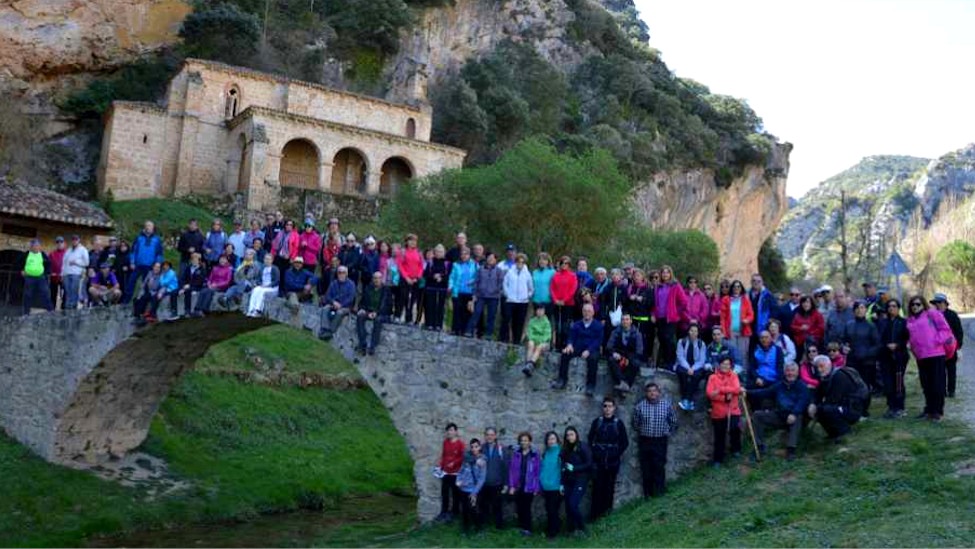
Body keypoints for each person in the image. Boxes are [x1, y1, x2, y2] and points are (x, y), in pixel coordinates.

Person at [748, 362, 810, 460]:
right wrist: (746, 392)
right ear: (784, 372)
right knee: (757, 415)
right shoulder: (779, 385)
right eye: (788, 371)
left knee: (797, 417)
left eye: (793, 371)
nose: (790, 373)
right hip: (779, 416)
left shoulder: (802, 386)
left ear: (797, 373)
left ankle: (791, 449)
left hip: (794, 417)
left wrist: (794, 413)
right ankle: (759, 446)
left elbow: (802, 402)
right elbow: (764, 392)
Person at [906, 296, 954, 421]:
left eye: (918, 304)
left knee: (937, 384)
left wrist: (935, 341)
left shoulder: (932, 314)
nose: (915, 306)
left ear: (923, 304)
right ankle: (929, 410)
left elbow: (945, 330)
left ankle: (937, 412)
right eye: (912, 304)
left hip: (936, 354)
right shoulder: (910, 320)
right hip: (921, 357)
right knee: (926, 385)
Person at [632, 382, 678, 497]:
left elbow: (673, 421)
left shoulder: (666, 405)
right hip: (645, 440)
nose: (652, 393)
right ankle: (648, 493)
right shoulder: (640, 406)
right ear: (646, 393)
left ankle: (660, 491)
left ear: (658, 392)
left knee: (659, 466)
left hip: (660, 440)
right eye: (649, 391)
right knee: (646, 467)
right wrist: (643, 431)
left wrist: (668, 432)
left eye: (654, 390)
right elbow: (635, 423)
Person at [588, 398, 628, 521]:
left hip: (612, 462)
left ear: (614, 408)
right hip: (598, 462)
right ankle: (594, 517)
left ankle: (607, 516)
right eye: (605, 406)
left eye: (610, 406)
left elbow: (624, 442)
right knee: (597, 489)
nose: (607, 408)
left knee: (609, 488)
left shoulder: (618, 423)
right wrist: (596, 453)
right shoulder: (597, 422)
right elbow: (590, 439)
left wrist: (615, 454)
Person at [807, 355, 864, 441]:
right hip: (842, 406)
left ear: (829, 365)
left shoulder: (839, 376)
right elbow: (817, 394)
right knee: (822, 409)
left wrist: (818, 407)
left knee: (826, 409)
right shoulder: (825, 378)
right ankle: (833, 434)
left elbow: (833, 399)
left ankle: (845, 432)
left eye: (822, 366)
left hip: (852, 408)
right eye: (817, 367)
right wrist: (813, 404)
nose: (819, 369)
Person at [554, 303, 603, 396]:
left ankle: (590, 386)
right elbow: (571, 336)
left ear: (593, 313)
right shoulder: (577, 324)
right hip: (578, 347)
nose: (586, 313)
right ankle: (562, 380)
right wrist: (569, 345)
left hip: (591, 349)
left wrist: (589, 350)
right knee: (565, 354)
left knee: (593, 359)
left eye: (589, 311)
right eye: (584, 311)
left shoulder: (598, 326)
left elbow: (598, 341)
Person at [842, 301, 881, 409]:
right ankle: (853, 408)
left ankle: (864, 409)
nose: (860, 310)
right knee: (852, 384)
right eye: (857, 308)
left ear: (865, 310)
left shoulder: (871, 326)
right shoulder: (849, 325)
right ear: (854, 311)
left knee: (865, 385)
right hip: (852, 360)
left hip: (867, 362)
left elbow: (877, 344)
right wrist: (843, 348)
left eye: (862, 308)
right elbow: (843, 341)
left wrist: (867, 354)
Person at [706, 356, 743, 466]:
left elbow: (737, 389)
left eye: (728, 364)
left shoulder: (734, 375)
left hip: (733, 409)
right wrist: (725, 397)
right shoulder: (712, 377)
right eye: (723, 363)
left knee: (735, 428)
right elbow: (710, 394)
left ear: (731, 365)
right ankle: (718, 459)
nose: (725, 366)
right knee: (719, 435)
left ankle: (736, 450)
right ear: (719, 365)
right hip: (718, 411)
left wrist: (720, 390)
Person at [876, 299, 909, 418]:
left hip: (900, 356)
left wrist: (898, 345)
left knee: (898, 383)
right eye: (889, 306)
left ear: (898, 308)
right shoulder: (883, 322)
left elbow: (906, 339)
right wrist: (885, 346)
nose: (891, 308)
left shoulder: (903, 322)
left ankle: (900, 407)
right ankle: (891, 407)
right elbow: (878, 338)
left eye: (894, 306)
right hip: (885, 356)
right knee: (888, 383)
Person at [654, 265, 688, 370]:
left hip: (670, 318)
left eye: (667, 272)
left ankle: (670, 363)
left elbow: (684, 302)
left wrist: (675, 312)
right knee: (662, 339)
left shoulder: (675, 285)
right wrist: (654, 314)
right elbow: (655, 303)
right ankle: (662, 362)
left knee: (669, 340)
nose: (665, 274)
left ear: (670, 274)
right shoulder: (658, 286)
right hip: (660, 318)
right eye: (663, 272)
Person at [930, 293, 964, 398]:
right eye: (936, 303)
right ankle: (942, 390)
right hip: (938, 348)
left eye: (939, 302)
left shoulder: (952, 315)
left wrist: (958, 346)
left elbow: (959, 331)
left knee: (951, 370)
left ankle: (951, 390)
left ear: (945, 303)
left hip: (952, 347)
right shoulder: (932, 316)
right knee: (940, 371)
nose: (938, 304)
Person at [506, 432, 541, 536]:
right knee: (519, 507)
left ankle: (528, 529)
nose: (523, 442)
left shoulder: (534, 455)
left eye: (525, 440)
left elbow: (537, 472)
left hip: (529, 486)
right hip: (518, 486)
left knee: (526, 508)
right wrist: (511, 486)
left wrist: (536, 488)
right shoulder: (516, 454)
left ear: (530, 442)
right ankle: (521, 527)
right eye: (521, 440)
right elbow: (511, 470)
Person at [560, 426, 592, 535]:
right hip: (568, 481)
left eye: (571, 434)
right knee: (568, 507)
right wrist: (561, 484)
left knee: (573, 504)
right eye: (567, 435)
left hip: (580, 479)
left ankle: (582, 528)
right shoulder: (565, 449)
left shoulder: (582, 446)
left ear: (576, 434)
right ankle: (571, 530)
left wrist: (575, 468)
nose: (569, 437)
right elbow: (563, 468)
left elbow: (589, 464)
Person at [466, 253, 504, 339]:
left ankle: (488, 334)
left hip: (493, 297)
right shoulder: (480, 269)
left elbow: (500, 284)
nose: (490, 260)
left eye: (492, 258)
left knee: (491, 316)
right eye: (489, 258)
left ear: (495, 260)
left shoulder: (499, 271)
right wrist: (474, 294)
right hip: (481, 296)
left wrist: (495, 291)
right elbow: (476, 282)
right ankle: (469, 331)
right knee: (476, 313)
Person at [606, 313, 646, 394]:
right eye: (623, 319)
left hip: (631, 356)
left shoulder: (637, 334)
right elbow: (609, 346)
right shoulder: (615, 332)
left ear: (631, 321)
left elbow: (639, 350)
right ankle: (622, 382)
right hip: (619, 355)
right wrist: (614, 353)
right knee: (611, 360)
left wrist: (627, 359)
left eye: (627, 319)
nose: (625, 321)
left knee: (635, 363)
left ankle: (626, 384)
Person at [720, 279, 754, 373]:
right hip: (730, 331)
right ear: (732, 288)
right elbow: (722, 317)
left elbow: (751, 314)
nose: (736, 288)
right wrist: (723, 330)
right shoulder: (726, 299)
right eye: (735, 286)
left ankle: (744, 375)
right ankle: (733, 375)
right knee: (733, 354)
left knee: (743, 354)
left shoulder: (745, 300)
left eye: (738, 286)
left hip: (743, 331)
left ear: (741, 288)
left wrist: (747, 320)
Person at [455, 438, 487, 534]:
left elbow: (482, 479)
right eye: (472, 447)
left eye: (476, 447)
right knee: (465, 510)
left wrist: (474, 493)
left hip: (474, 490)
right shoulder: (467, 458)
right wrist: (458, 481)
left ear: (480, 447)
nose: (474, 449)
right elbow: (461, 471)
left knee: (475, 510)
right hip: (464, 489)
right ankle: (465, 529)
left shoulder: (483, 461)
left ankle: (479, 529)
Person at [436, 423, 465, 523]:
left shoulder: (460, 443)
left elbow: (462, 457)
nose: (449, 432)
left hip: (455, 473)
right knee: (444, 493)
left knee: (455, 493)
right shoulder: (445, 442)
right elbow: (444, 455)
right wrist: (441, 465)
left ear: (456, 431)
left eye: (452, 430)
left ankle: (454, 512)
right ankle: (443, 511)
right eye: (448, 430)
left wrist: (454, 463)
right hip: (445, 472)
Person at [675, 323, 709, 410]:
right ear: (688, 331)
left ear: (698, 333)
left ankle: (688, 399)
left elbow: (702, 360)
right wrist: (688, 368)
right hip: (684, 365)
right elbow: (680, 357)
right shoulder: (681, 342)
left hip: (696, 366)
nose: (693, 333)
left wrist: (693, 368)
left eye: (695, 331)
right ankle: (685, 399)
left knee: (697, 376)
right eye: (691, 331)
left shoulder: (701, 344)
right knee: (682, 374)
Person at [624, 269, 654, 365]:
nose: (636, 277)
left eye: (638, 275)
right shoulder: (629, 288)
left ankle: (643, 359)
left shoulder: (648, 288)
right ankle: (630, 358)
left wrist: (642, 299)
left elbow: (651, 303)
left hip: (644, 320)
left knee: (643, 340)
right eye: (635, 275)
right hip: (632, 319)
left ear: (643, 277)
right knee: (631, 339)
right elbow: (625, 303)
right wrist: (629, 298)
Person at [479, 428, 507, 530]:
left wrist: (505, 483)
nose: (489, 437)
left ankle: (499, 527)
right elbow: (471, 457)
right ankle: (483, 526)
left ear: (495, 436)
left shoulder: (501, 449)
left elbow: (506, 466)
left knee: (497, 506)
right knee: (483, 506)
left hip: (497, 483)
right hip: (483, 483)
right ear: (485, 436)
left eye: (491, 435)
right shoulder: (481, 448)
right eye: (487, 434)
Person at [129, 221, 164, 303]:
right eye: (147, 226)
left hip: (149, 266)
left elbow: (160, 253)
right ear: (144, 227)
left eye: (151, 226)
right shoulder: (138, 238)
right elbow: (133, 251)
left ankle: (143, 301)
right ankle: (127, 300)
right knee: (131, 282)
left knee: (147, 285)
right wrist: (132, 262)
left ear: (153, 228)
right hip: (138, 265)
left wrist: (158, 262)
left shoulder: (157, 239)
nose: (149, 227)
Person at [356, 272, 390, 355]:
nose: (376, 280)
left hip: (382, 314)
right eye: (375, 278)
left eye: (378, 278)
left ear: (381, 279)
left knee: (378, 320)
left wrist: (377, 313)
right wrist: (362, 309)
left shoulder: (386, 291)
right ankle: (362, 342)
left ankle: (373, 346)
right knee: (360, 316)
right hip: (369, 311)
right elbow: (362, 302)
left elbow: (387, 306)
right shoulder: (368, 289)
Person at [503, 253, 534, 343]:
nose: (520, 263)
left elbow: (530, 287)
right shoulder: (510, 272)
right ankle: (504, 339)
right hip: (510, 300)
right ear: (515, 262)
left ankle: (516, 341)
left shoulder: (527, 274)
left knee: (519, 322)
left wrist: (526, 296)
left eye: (522, 262)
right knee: (507, 319)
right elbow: (505, 284)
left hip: (522, 302)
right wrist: (508, 294)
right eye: (518, 261)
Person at [319, 265, 355, 340]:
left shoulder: (351, 284)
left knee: (339, 312)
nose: (341, 274)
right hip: (333, 304)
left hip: (345, 307)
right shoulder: (333, 283)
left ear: (346, 274)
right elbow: (327, 296)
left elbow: (350, 299)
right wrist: (333, 302)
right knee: (325, 308)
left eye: (343, 273)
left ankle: (330, 331)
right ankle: (324, 329)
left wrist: (341, 305)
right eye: (339, 272)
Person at [550, 256, 578, 348]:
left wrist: (564, 300)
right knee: (558, 326)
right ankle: (557, 345)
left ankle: (565, 345)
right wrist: (556, 300)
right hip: (556, 304)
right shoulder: (555, 275)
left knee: (566, 326)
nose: (564, 265)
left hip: (568, 305)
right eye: (562, 263)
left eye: (566, 263)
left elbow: (572, 290)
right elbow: (552, 289)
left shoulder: (573, 276)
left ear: (569, 265)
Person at [20, 239, 54, 315]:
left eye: (37, 246)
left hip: (40, 278)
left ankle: (50, 310)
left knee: (45, 293)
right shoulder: (27, 254)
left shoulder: (42, 254)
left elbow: (48, 263)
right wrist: (21, 270)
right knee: (28, 294)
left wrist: (46, 273)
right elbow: (18, 262)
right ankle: (26, 312)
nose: (36, 247)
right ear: (31, 247)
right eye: (34, 246)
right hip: (29, 277)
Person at [448, 247, 477, 336]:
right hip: (458, 291)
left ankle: (466, 331)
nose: (464, 256)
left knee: (467, 312)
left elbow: (477, 277)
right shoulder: (456, 264)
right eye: (462, 254)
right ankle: (455, 330)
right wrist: (450, 286)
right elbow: (452, 277)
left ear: (469, 255)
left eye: (466, 254)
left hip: (469, 292)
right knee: (457, 311)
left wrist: (473, 282)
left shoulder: (474, 265)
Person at [539, 431, 562, 539]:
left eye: (553, 439)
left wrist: (562, 485)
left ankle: (552, 533)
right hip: (546, 487)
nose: (551, 441)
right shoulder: (545, 453)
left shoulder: (561, 453)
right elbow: (543, 469)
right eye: (549, 439)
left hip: (556, 487)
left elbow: (563, 470)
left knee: (553, 510)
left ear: (557, 440)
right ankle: (553, 528)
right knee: (549, 509)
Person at [396, 234, 424, 324]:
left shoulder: (418, 253)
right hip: (405, 279)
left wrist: (417, 277)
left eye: (414, 241)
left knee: (412, 300)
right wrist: (406, 277)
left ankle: (409, 318)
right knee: (402, 298)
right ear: (407, 242)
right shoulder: (403, 252)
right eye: (411, 240)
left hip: (415, 280)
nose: (413, 243)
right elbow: (400, 265)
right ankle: (398, 315)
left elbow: (421, 266)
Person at [422, 244, 450, 331]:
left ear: (444, 253)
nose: (439, 253)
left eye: (441, 251)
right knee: (430, 306)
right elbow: (425, 274)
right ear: (434, 252)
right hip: (430, 287)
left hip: (442, 288)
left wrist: (441, 277)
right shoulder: (430, 262)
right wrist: (433, 276)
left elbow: (450, 275)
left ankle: (439, 325)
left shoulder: (447, 263)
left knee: (440, 307)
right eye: (437, 251)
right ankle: (429, 324)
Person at [61, 234, 89, 310]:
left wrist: (76, 262)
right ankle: (67, 309)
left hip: (77, 274)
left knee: (74, 292)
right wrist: (62, 274)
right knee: (67, 292)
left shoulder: (83, 250)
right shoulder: (68, 250)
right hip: (67, 274)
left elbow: (86, 263)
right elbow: (64, 262)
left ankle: (73, 309)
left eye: (76, 239)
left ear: (79, 240)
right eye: (73, 239)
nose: (74, 241)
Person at [524, 304, 553, 376]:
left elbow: (547, 335)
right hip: (534, 340)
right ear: (536, 311)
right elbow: (529, 332)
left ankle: (531, 364)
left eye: (541, 310)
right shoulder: (532, 321)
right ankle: (528, 365)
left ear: (544, 311)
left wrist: (538, 340)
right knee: (530, 343)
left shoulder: (547, 322)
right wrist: (534, 339)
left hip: (544, 342)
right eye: (538, 310)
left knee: (539, 346)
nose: (540, 312)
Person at [177, 252, 207, 317]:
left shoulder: (202, 269)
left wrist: (189, 285)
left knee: (188, 291)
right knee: (177, 291)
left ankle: (187, 310)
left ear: (199, 260)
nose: (194, 261)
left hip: (197, 286)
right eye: (193, 259)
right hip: (188, 286)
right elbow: (183, 278)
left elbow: (200, 281)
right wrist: (182, 287)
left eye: (196, 259)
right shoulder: (188, 268)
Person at [532, 253, 556, 322]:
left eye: (545, 260)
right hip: (536, 300)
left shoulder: (552, 272)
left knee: (547, 322)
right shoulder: (534, 272)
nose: (542, 262)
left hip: (548, 301)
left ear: (548, 262)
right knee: (537, 322)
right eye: (541, 260)